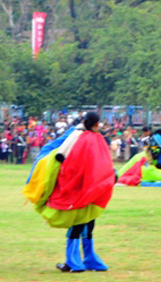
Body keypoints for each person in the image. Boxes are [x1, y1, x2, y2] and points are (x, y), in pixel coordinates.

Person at [23, 112, 116, 272]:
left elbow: (63, 156)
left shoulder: (87, 136)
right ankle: (80, 260)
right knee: (83, 220)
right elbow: (62, 156)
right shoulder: (81, 136)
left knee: (84, 220)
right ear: (93, 124)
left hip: (83, 185)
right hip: (84, 186)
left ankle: (80, 261)